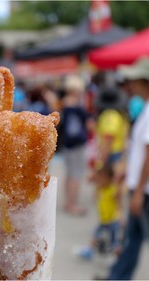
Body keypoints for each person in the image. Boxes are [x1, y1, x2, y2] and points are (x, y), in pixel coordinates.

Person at [106, 57, 149, 280]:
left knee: (135, 237)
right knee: (132, 237)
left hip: (144, 191)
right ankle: (118, 275)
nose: (130, 84)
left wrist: (139, 191)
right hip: (139, 187)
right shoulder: (144, 108)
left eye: (134, 80)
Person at [60, 75, 91, 216]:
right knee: (76, 175)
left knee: (70, 174)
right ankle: (73, 204)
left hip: (67, 144)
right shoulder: (76, 106)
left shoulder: (64, 104)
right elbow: (88, 123)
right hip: (77, 144)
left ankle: (68, 202)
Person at [78, 164, 122, 260]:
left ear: (110, 178)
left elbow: (119, 202)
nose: (100, 181)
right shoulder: (100, 189)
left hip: (113, 220)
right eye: (99, 178)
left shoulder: (113, 190)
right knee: (96, 235)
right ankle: (90, 250)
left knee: (114, 241)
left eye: (103, 178)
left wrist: (121, 216)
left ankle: (119, 256)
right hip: (103, 219)